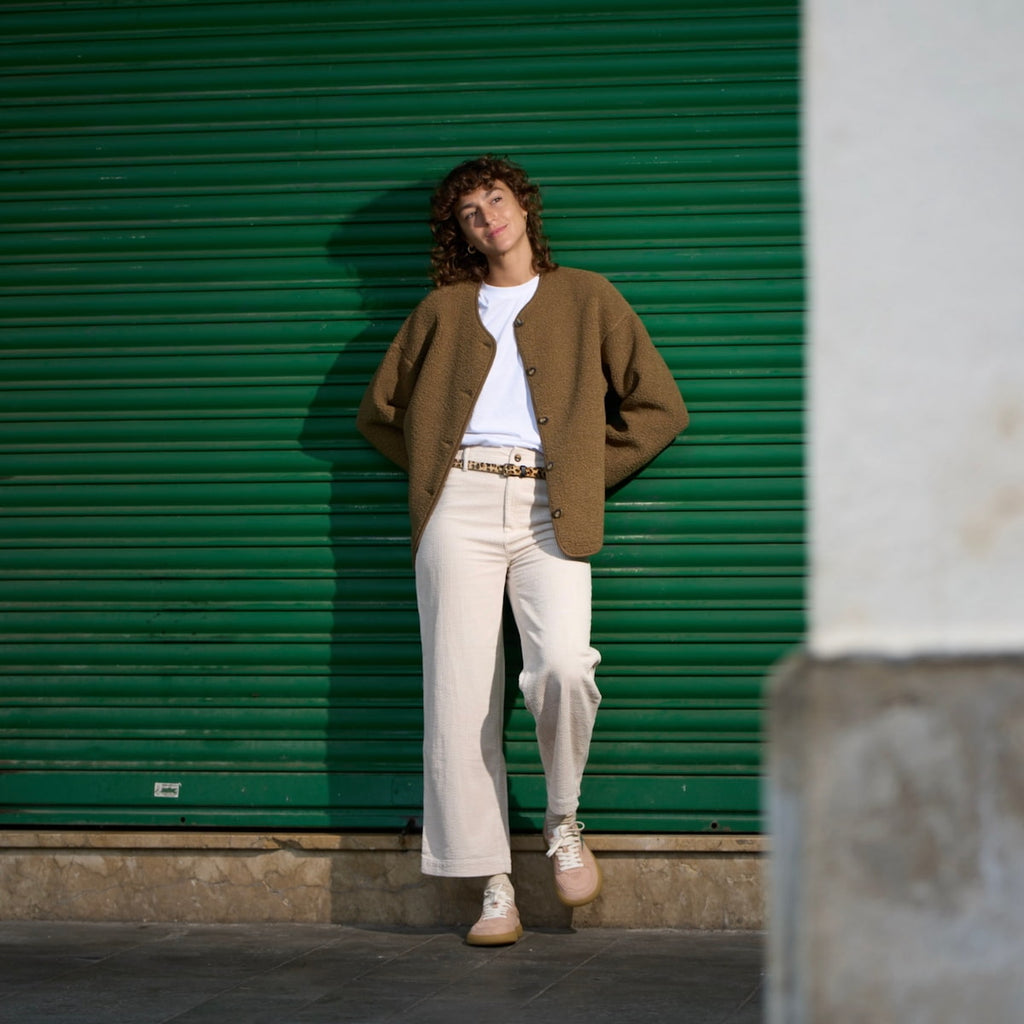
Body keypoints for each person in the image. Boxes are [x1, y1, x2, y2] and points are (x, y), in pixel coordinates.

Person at [357, 155, 688, 946]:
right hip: (458, 507)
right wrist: (438, 474)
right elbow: (379, 415)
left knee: (564, 668)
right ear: (459, 233)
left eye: (495, 199)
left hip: (552, 506)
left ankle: (564, 819)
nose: (487, 217)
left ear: (524, 207)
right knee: (460, 695)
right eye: (469, 211)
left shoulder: (588, 297)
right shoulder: (441, 310)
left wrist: (580, 474)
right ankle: (493, 883)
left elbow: (659, 407)